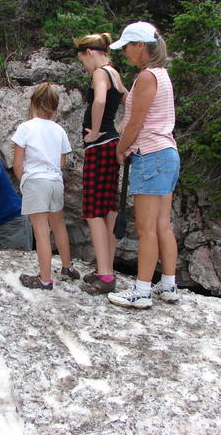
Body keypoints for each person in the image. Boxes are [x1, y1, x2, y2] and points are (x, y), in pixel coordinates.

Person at [106, 21, 181, 309]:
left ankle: (141, 290)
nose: (124, 52)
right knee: (163, 225)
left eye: (126, 47)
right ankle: (168, 285)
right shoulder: (161, 75)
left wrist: (121, 148)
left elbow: (136, 122)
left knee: (146, 229)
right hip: (167, 154)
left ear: (140, 46)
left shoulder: (148, 77)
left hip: (150, 155)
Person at [12, 82, 80, 290]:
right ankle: (67, 267)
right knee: (58, 225)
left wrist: (25, 181)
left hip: (36, 181)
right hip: (55, 181)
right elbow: (62, 162)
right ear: (55, 107)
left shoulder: (25, 128)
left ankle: (44, 279)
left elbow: (17, 163)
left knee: (41, 231)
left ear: (33, 103)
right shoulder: (59, 130)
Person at [75, 33, 128, 295]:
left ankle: (106, 276)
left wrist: (95, 131)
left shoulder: (100, 74)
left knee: (93, 210)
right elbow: (131, 104)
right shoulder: (116, 74)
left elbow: (99, 101)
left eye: (82, 60)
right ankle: (105, 268)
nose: (84, 67)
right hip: (112, 144)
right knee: (108, 208)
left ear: (90, 53)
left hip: (99, 146)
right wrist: (119, 131)